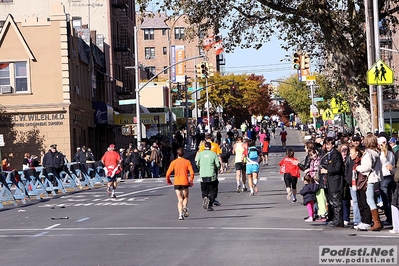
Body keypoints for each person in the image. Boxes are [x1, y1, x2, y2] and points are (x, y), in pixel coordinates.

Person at [356, 134, 383, 231]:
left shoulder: (368, 154)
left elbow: (367, 167)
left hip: (370, 179)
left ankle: (377, 222)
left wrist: (358, 168)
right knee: (373, 200)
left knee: (370, 200)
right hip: (376, 178)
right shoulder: (377, 152)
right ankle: (377, 221)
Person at [320, 137, 345, 227]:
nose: (327, 146)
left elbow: (338, 168)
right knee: (331, 201)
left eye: (329, 144)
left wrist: (327, 171)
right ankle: (334, 218)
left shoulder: (336, 154)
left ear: (333, 144)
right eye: (326, 144)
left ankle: (338, 220)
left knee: (336, 202)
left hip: (336, 181)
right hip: (330, 181)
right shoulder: (328, 154)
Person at [166, 148, 195, 220]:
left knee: (179, 199)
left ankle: (180, 215)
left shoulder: (173, 162)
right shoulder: (187, 162)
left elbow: (167, 174)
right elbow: (192, 172)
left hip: (177, 182)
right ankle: (184, 207)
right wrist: (191, 181)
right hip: (185, 181)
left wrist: (168, 180)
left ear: (177, 154)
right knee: (185, 197)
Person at [350, 146, 372, 231]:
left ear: (357, 153)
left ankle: (367, 221)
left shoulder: (361, 160)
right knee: (360, 203)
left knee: (364, 203)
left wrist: (358, 168)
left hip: (362, 183)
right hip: (356, 184)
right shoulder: (354, 162)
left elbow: (366, 169)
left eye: (351, 153)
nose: (350, 155)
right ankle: (363, 220)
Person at [196, 142, 221, 211]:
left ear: (204, 147)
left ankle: (205, 197)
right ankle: (210, 204)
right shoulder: (213, 154)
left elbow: (197, 163)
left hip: (203, 174)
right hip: (211, 174)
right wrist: (218, 169)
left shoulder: (200, 154)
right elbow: (218, 164)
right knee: (213, 190)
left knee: (204, 189)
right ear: (210, 147)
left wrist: (200, 169)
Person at [378, 136, 395, 226]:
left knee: (385, 199)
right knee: (391, 198)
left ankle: (389, 217)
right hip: (390, 177)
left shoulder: (380, 155)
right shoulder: (391, 153)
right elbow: (392, 164)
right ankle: (392, 217)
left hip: (383, 177)